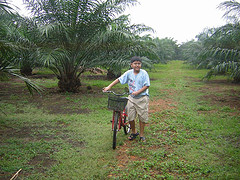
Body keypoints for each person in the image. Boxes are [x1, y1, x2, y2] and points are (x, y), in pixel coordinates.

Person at [103, 56, 150, 142]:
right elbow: (119, 79)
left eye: (139, 64)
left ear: (141, 65)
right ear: (131, 65)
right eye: (135, 63)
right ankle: (134, 132)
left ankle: (142, 135)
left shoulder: (144, 73)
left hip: (142, 98)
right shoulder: (129, 73)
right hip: (131, 98)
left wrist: (138, 92)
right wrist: (109, 86)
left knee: (142, 117)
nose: (137, 65)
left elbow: (146, 85)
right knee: (130, 117)